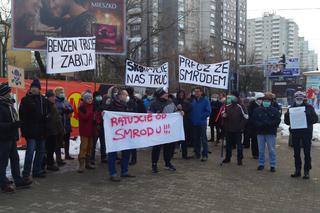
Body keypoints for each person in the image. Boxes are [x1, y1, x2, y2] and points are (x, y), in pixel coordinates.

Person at [0, 82, 33, 193]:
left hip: (11, 137)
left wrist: (17, 123)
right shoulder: (1, 106)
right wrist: (12, 125)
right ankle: (3, 183)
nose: (10, 94)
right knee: (3, 162)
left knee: (15, 159)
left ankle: (18, 180)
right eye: (8, 92)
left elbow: (12, 119)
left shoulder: (9, 104)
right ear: (3, 94)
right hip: (3, 138)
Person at [285, 91, 318, 179]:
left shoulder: (309, 107)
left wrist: (306, 115)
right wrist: (288, 115)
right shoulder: (291, 107)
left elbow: (315, 119)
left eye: (301, 98)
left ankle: (306, 171)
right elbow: (287, 122)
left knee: (307, 153)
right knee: (296, 153)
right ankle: (297, 170)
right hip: (295, 133)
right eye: (297, 98)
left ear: (304, 99)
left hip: (306, 133)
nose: (299, 100)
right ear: (294, 98)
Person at [20, 79, 48, 179]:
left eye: (36, 88)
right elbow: (22, 117)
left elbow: (46, 114)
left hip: (41, 131)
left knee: (41, 151)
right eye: (33, 87)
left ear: (39, 89)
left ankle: (37, 170)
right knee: (30, 152)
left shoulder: (43, 100)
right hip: (30, 131)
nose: (34, 89)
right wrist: (24, 131)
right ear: (30, 89)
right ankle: (26, 173)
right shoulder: (25, 100)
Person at [108, 88, 135, 181]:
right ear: (120, 95)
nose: (127, 97)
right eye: (125, 95)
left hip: (125, 132)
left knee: (126, 152)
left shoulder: (127, 105)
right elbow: (103, 112)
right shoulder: (111, 104)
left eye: (127, 95)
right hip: (114, 133)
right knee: (112, 153)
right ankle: (113, 173)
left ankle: (124, 171)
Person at [150, 87, 178, 173]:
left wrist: (180, 111)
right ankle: (154, 164)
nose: (167, 94)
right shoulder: (153, 104)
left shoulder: (171, 103)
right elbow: (148, 115)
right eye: (165, 93)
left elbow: (175, 113)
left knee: (169, 147)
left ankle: (168, 163)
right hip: (157, 130)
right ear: (160, 95)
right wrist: (156, 115)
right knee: (156, 148)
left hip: (168, 129)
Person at [252, 95, 281, 172]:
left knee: (271, 150)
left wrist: (268, 124)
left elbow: (277, 120)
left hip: (270, 132)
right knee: (261, 150)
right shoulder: (257, 110)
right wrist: (260, 124)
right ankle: (261, 164)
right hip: (260, 132)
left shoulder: (274, 110)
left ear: (270, 102)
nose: (266, 102)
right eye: (264, 101)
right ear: (262, 101)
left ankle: (272, 165)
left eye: (268, 101)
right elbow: (254, 120)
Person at [222, 91, 248, 165]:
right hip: (228, 129)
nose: (231, 98)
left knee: (239, 145)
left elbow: (246, 117)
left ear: (237, 97)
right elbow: (223, 113)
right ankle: (227, 157)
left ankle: (239, 159)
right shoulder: (227, 106)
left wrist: (240, 126)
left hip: (237, 130)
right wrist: (224, 115)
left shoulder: (241, 106)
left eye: (233, 96)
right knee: (228, 144)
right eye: (231, 96)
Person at [45, 90, 65, 172]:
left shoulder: (53, 105)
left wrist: (61, 129)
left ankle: (51, 163)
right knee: (49, 149)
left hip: (55, 130)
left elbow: (57, 118)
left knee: (53, 147)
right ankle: (49, 164)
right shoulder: (46, 106)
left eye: (54, 96)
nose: (54, 98)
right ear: (48, 97)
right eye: (52, 97)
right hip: (50, 131)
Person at [190, 87, 211, 162]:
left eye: (198, 92)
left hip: (202, 123)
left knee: (203, 139)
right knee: (196, 139)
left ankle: (205, 155)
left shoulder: (205, 100)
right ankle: (197, 153)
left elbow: (208, 111)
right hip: (194, 123)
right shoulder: (193, 100)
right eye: (195, 92)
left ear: (201, 92)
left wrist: (201, 117)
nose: (196, 93)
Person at [77, 90, 95, 173]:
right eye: (88, 98)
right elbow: (84, 118)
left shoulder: (93, 106)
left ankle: (88, 163)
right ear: (84, 99)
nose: (90, 100)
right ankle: (81, 164)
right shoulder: (81, 107)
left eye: (91, 98)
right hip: (84, 130)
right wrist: (90, 113)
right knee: (83, 147)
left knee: (90, 146)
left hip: (92, 130)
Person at [55, 87, 74, 160]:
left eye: (63, 92)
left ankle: (67, 154)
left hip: (67, 124)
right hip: (60, 124)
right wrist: (62, 111)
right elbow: (56, 111)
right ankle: (58, 158)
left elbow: (71, 108)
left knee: (67, 141)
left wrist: (68, 109)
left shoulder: (65, 101)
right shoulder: (55, 101)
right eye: (61, 92)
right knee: (59, 142)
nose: (62, 93)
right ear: (57, 93)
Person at [243, 93, 264, 159]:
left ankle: (259, 153)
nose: (261, 100)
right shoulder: (251, 106)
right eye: (260, 99)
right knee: (254, 140)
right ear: (256, 99)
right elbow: (250, 116)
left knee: (260, 141)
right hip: (253, 126)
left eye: (262, 99)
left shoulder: (263, 105)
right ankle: (255, 154)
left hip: (261, 126)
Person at [90, 91, 107, 165]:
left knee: (103, 143)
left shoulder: (103, 104)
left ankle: (103, 157)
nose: (100, 97)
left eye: (100, 96)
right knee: (93, 143)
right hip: (95, 126)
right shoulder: (92, 105)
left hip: (102, 126)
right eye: (98, 96)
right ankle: (92, 158)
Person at [176, 90, 192, 159]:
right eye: (180, 94)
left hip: (185, 122)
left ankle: (184, 154)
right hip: (175, 123)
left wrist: (182, 109)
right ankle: (170, 154)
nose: (181, 95)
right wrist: (177, 108)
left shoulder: (187, 102)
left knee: (184, 139)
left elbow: (189, 109)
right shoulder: (174, 101)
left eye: (182, 94)